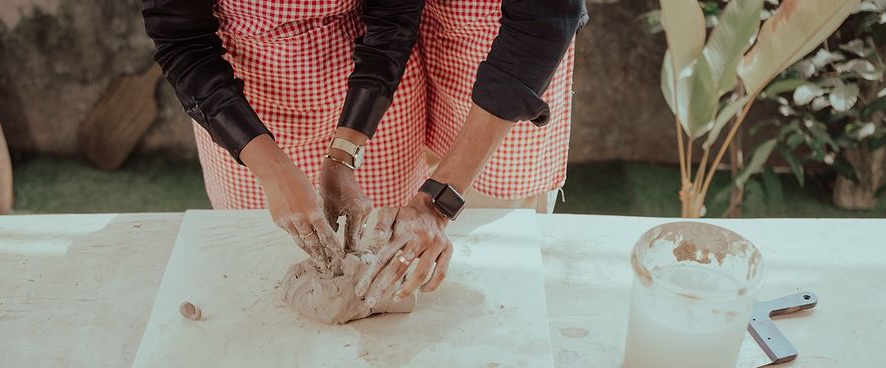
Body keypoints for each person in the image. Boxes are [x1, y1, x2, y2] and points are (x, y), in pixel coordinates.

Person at [142, 1, 584, 299]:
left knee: (487, 255)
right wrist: (283, 169)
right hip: (265, 91)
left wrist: (436, 201)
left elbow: (541, 20)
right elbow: (182, 38)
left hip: (505, 62)